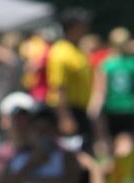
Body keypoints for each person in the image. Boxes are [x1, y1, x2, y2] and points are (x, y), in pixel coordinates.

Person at [88, 27, 134, 156]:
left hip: (125, 107)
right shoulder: (131, 63)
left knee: (120, 144)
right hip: (117, 108)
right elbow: (101, 89)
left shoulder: (108, 64)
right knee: (122, 144)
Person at [45, 8, 94, 143]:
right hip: (69, 110)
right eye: (82, 26)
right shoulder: (61, 52)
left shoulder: (76, 49)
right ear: (73, 27)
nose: (85, 29)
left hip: (80, 110)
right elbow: (58, 87)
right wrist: (64, 118)